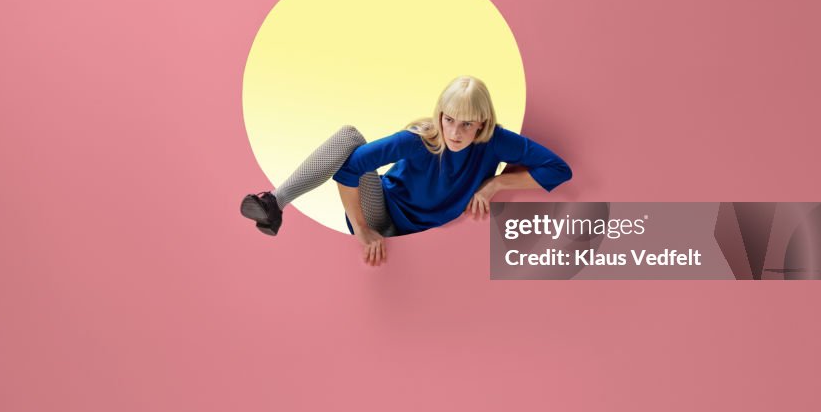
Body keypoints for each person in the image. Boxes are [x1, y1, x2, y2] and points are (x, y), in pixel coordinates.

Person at [240, 76, 573, 266]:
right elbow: (350, 170)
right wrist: (361, 229)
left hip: (425, 240)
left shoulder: (496, 142)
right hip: (382, 211)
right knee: (350, 139)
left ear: (482, 123)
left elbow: (558, 169)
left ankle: (275, 204)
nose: (455, 132)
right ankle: (275, 203)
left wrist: (496, 183)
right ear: (439, 115)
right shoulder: (420, 140)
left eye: (467, 124)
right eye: (449, 119)